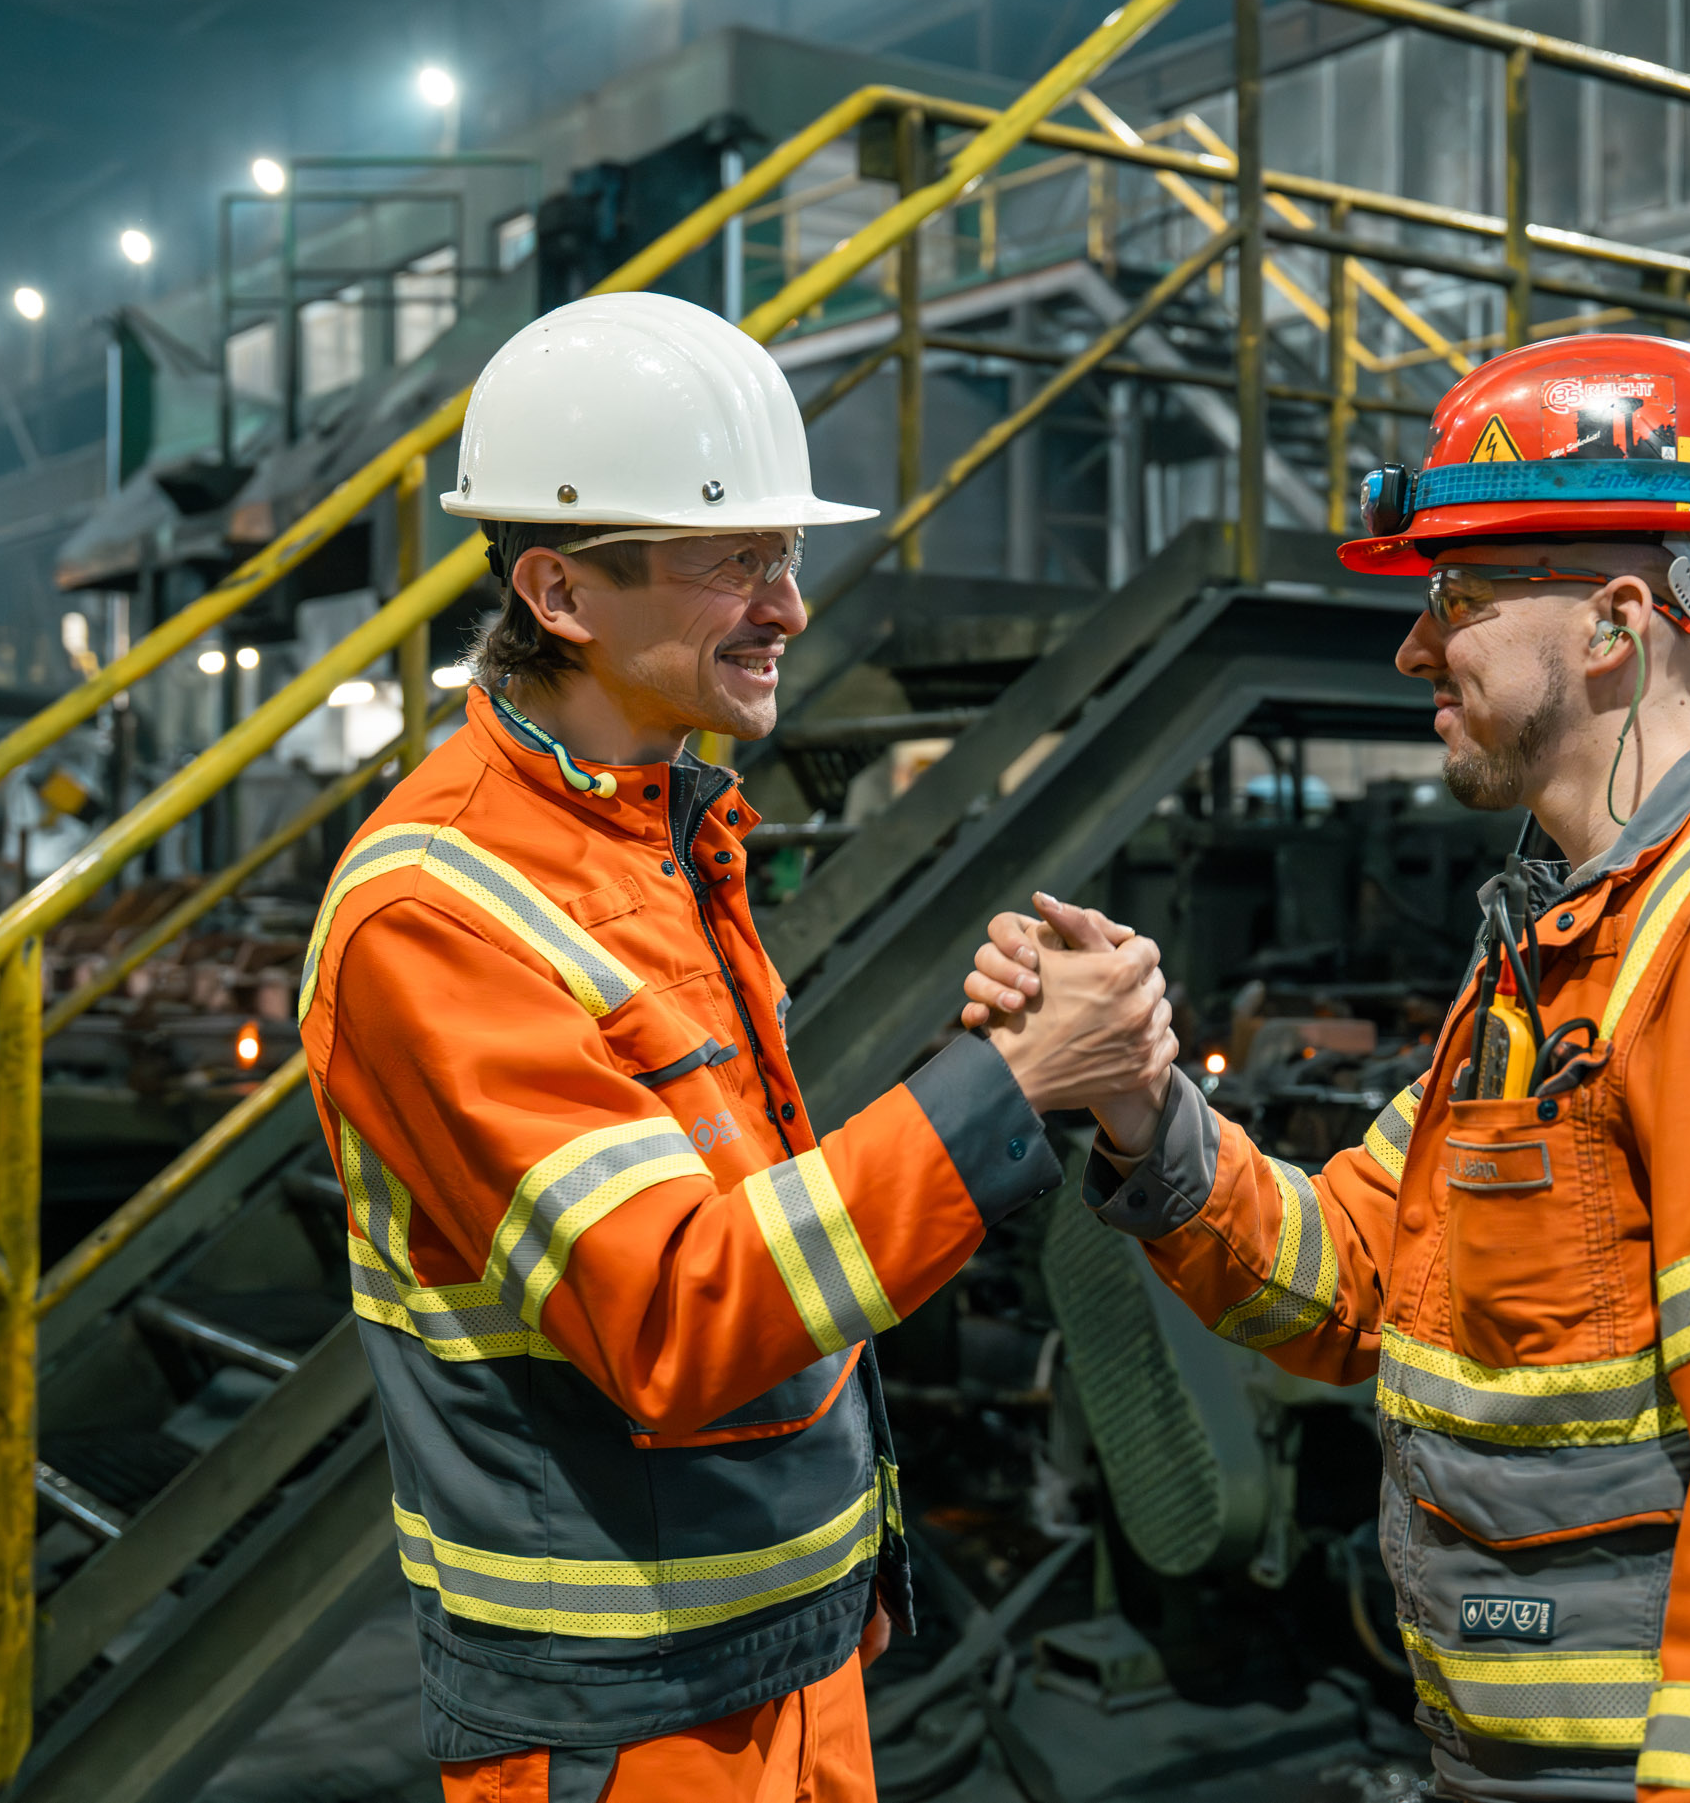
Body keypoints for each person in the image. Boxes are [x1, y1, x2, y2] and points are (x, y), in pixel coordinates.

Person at [965, 334, 1690, 1803]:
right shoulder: (1567, 935)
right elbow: (1359, 1281)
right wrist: (1136, 1097)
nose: (1413, 646)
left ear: (1616, 623)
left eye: (1458, 597)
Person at [301, 292, 1175, 1803]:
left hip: (791, 1650)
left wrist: (990, 1059)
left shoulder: (662, 838)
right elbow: (673, 1318)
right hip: (627, 1717)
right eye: (735, 562)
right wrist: (1004, 1086)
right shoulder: (435, 911)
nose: (790, 608)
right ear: (560, 592)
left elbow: (759, 1223)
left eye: (787, 556)